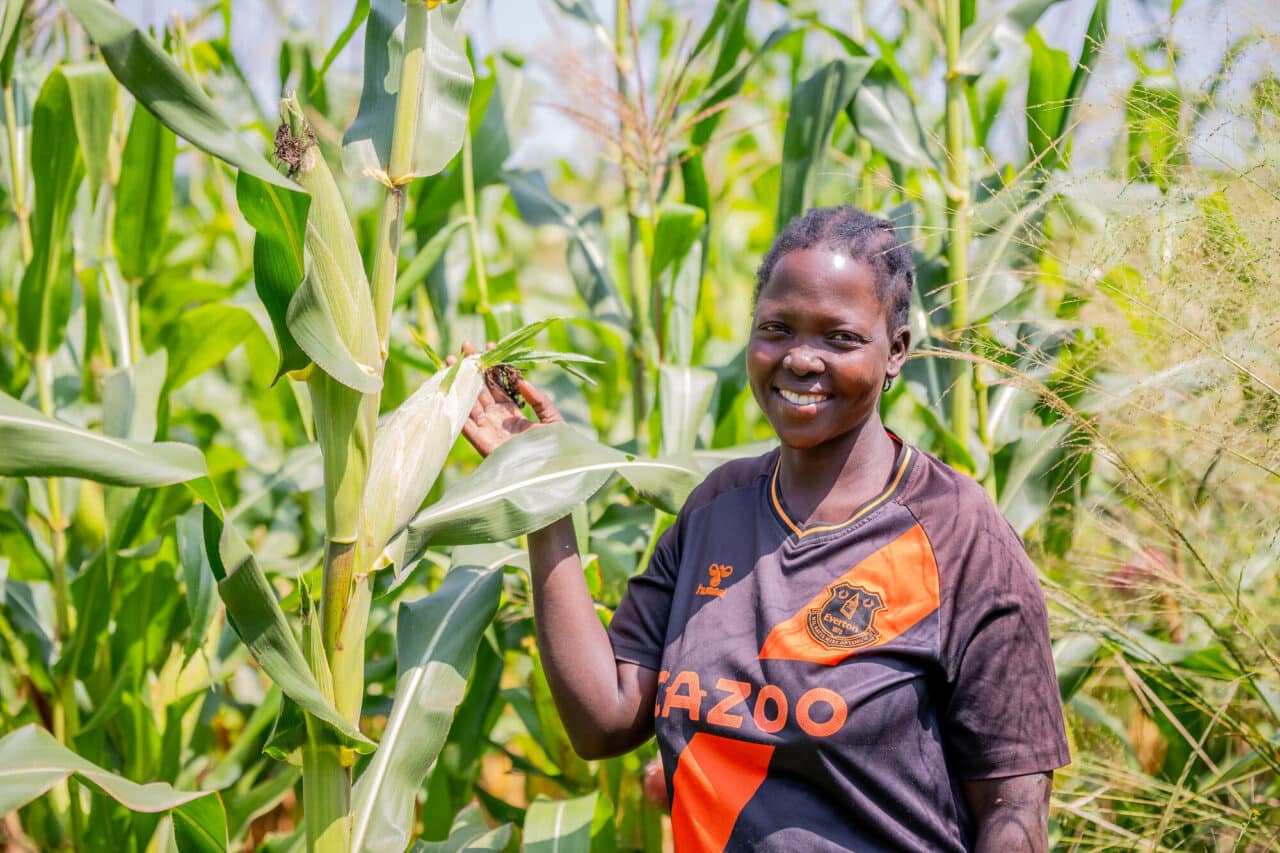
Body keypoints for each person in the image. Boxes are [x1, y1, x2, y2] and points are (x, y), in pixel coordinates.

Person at [456, 206, 1071, 852]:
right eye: (776, 328)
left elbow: (1013, 809)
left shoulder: (960, 535)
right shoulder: (714, 509)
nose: (801, 359)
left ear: (896, 351)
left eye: (839, 337)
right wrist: (542, 496)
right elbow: (603, 719)